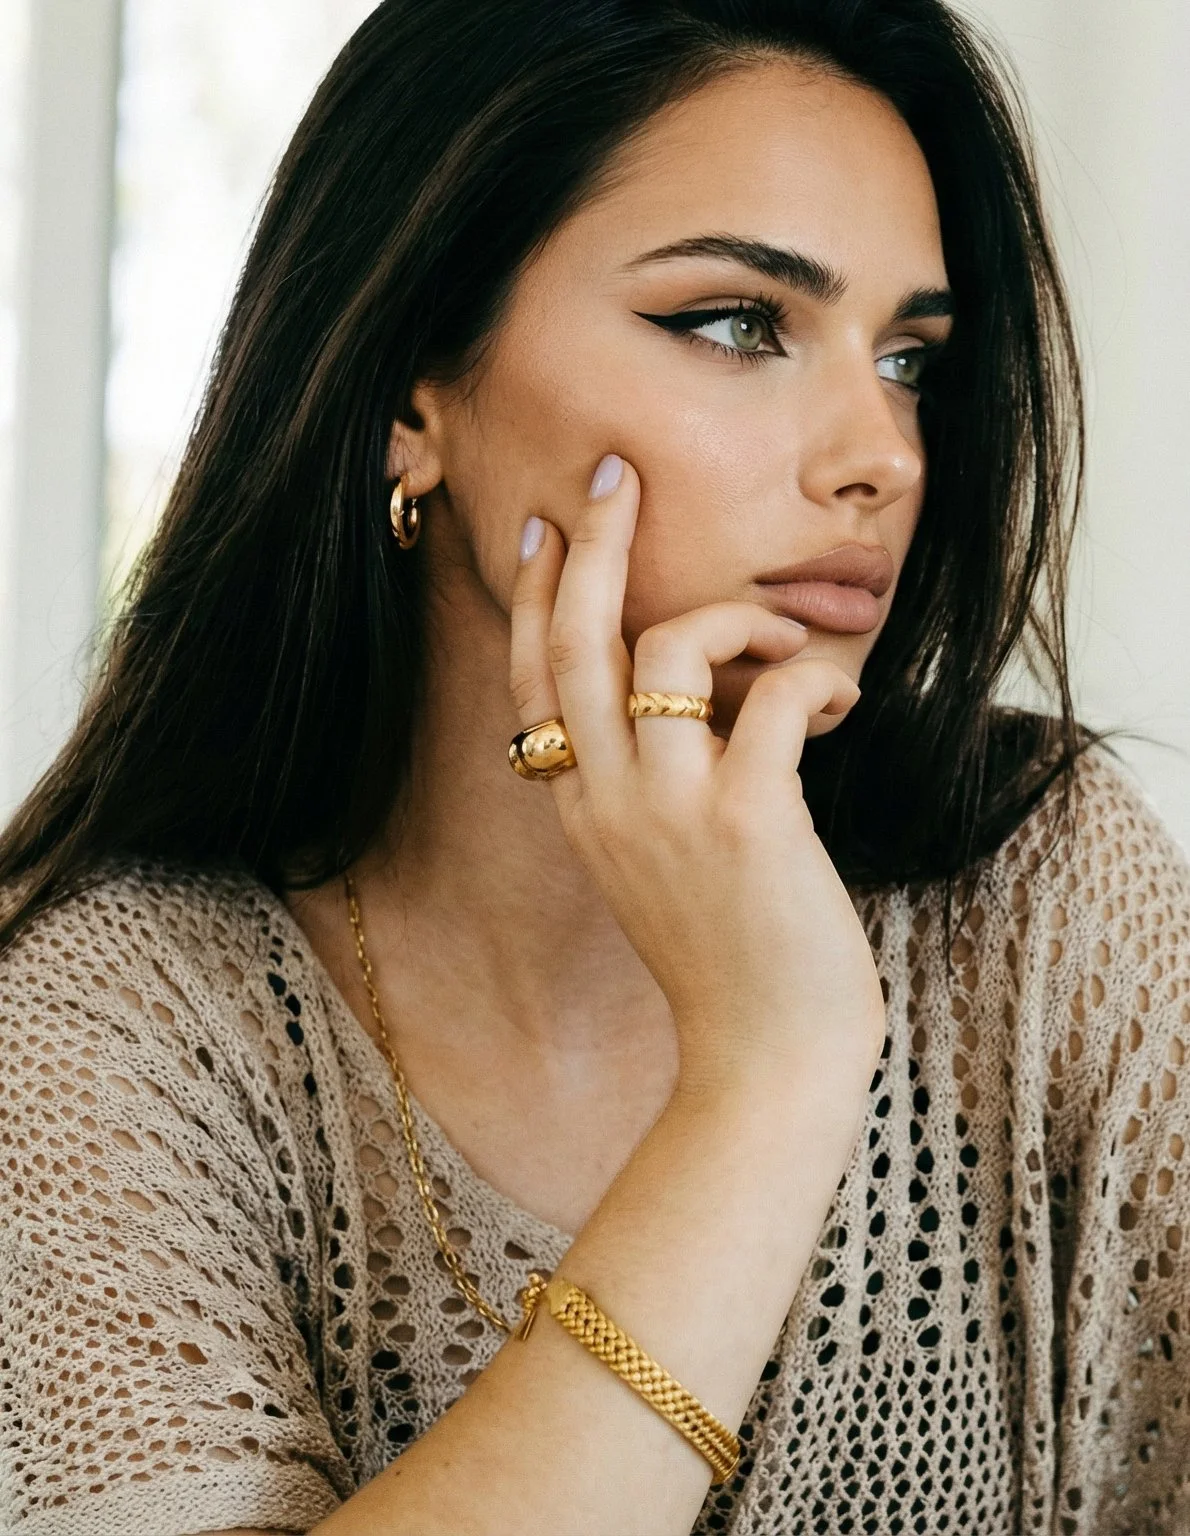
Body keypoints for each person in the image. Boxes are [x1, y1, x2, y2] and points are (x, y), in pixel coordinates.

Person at [0, 0, 1186, 1532]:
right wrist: (768, 1073)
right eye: (736, 324)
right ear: (411, 391)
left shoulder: (1035, 889)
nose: (880, 453)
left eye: (907, 359)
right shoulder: (111, 1029)